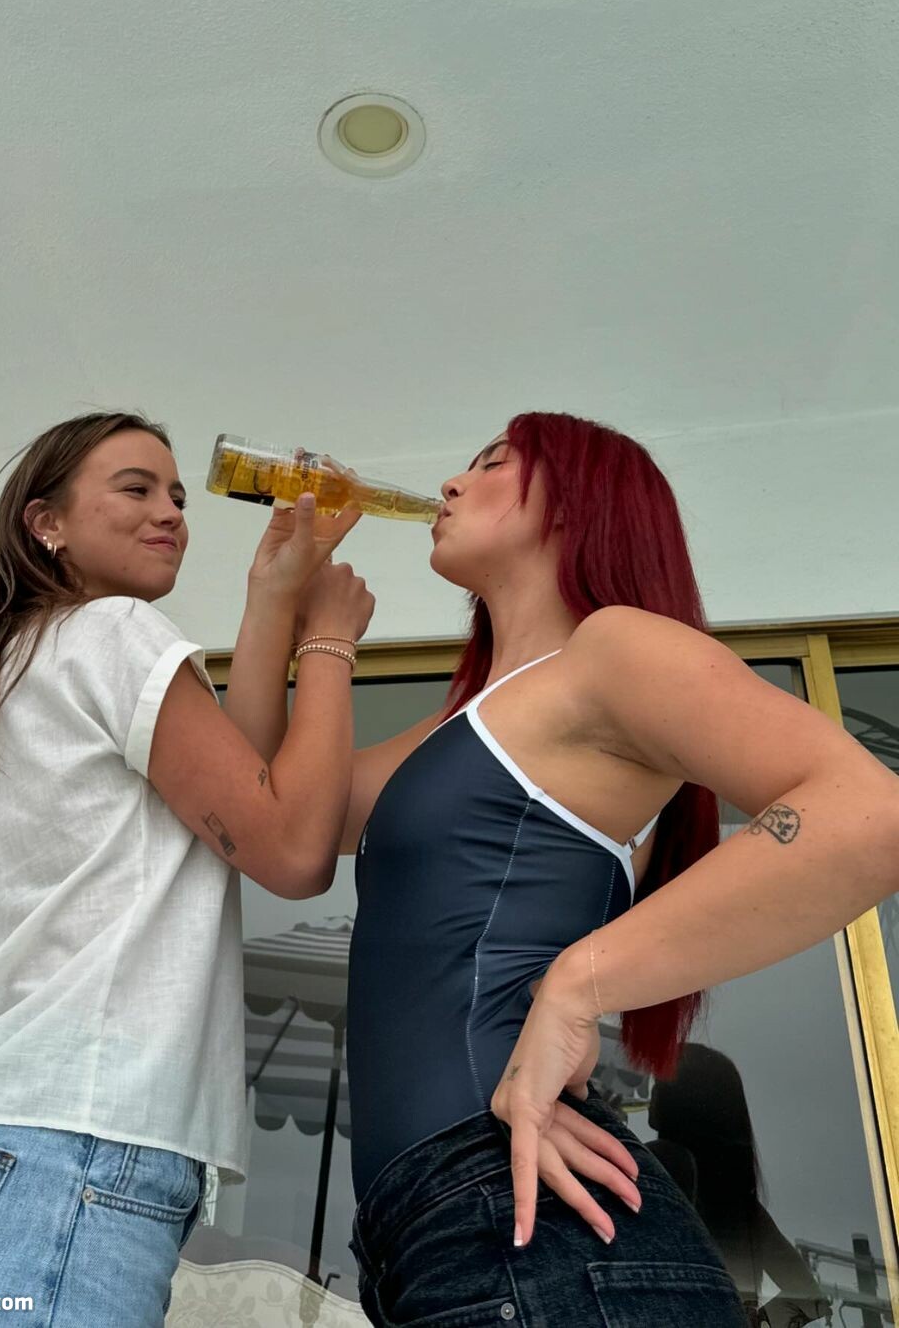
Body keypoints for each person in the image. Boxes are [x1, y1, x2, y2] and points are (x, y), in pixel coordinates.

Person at [333, 412, 899, 1327]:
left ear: (576, 504)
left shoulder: (612, 649)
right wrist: (293, 610)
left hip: (524, 1214)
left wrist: (576, 987)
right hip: (440, 1227)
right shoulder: (466, 723)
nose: (450, 483)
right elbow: (286, 827)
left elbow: (871, 815)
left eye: (494, 464)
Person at [0, 411, 378, 1327]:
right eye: (135, 488)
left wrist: (270, 598)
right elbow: (287, 847)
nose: (171, 512)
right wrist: (327, 639)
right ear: (46, 522)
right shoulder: (115, 631)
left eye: (178, 497)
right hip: (59, 1166)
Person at [648, 1045, 828, 1327]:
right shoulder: (741, 1208)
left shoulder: (655, 1167)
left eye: (659, 1085)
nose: (651, 1094)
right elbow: (810, 1298)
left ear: (684, 1101)